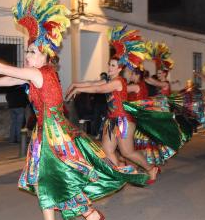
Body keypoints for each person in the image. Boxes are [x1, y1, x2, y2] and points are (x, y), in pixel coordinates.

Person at [0, 0, 149, 220]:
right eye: (28, 51)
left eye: (31, 51)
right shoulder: (38, 73)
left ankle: (90, 214)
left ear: (44, 55)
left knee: (60, 178)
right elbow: (12, 77)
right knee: (44, 179)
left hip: (56, 137)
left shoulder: (40, 73)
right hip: (47, 133)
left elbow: (4, 69)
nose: (27, 55)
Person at [66, 26, 160, 183]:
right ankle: (120, 175)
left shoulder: (118, 82)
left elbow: (98, 89)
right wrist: (76, 84)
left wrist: (78, 90)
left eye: (113, 66)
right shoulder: (110, 79)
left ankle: (151, 168)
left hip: (124, 121)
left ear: (120, 68)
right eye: (109, 65)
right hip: (112, 121)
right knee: (107, 150)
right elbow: (93, 82)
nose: (109, 68)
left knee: (127, 152)